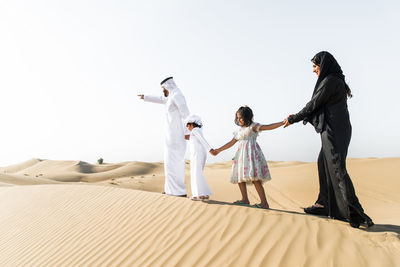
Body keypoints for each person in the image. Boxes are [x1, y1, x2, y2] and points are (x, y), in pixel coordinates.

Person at [283, 51, 374, 228]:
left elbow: (314, 104)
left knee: (337, 168)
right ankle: (324, 204)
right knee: (323, 164)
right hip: (334, 129)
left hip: (334, 130)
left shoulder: (331, 81)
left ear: (323, 66)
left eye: (315, 66)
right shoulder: (333, 80)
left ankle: (355, 213)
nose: (314, 70)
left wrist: (293, 118)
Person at [211, 106, 284, 209]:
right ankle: (245, 199)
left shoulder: (253, 126)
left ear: (247, 117)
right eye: (237, 118)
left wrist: (283, 122)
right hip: (241, 156)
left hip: (251, 155)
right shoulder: (239, 131)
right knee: (240, 177)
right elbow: (231, 143)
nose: (238, 120)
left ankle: (264, 203)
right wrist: (218, 150)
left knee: (255, 178)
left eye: (240, 117)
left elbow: (268, 126)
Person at [138, 77, 190, 197]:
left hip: (177, 135)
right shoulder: (171, 96)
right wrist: (145, 97)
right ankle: (170, 189)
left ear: (168, 86)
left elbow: (186, 114)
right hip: (170, 136)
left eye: (163, 88)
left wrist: (187, 131)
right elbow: (161, 99)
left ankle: (179, 191)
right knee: (169, 163)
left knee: (176, 163)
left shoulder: (178, 95)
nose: (163, 91)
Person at [185, 114, 213, 201]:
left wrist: (210, 149)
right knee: (197, 173)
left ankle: (199, 195)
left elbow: (202, 140)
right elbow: (191, 138)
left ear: (191, 124)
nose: (188, 128)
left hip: (197, 154)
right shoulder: (197, 130)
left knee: (196, 173)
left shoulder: (195, 130)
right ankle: (201, 194)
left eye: (188, 126)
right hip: (199, 154)